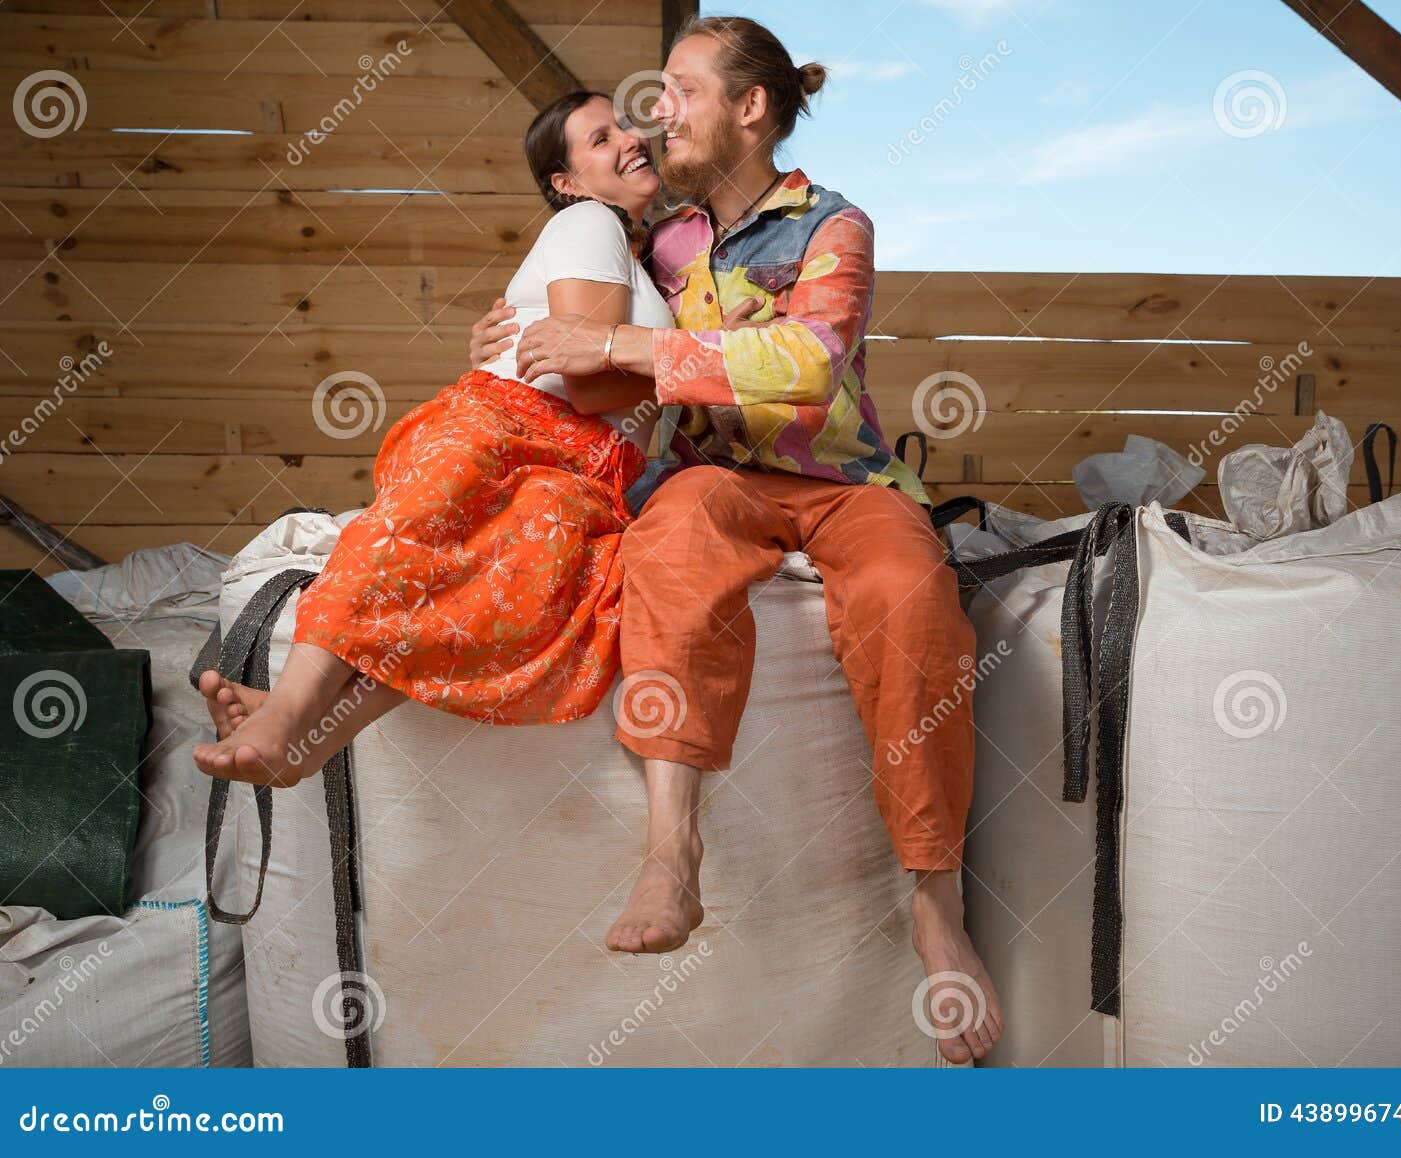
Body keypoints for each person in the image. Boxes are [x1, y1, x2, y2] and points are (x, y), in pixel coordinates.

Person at [471, 16, 1004, 1063]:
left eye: (677, 91)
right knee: (667, 545)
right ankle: (672, 850)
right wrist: (501, 329)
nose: (654, 110)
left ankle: (936, 906)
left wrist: (620, 341)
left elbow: (806, 360)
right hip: (717, 476)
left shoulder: (832, 226)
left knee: (908, 592)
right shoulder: (658, 241)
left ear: (747, 109)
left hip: (842, 482)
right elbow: (569, 292)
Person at [193, 92, 685, 786]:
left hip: (584, 466)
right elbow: (588, 381)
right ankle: (287, 716)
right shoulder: (587, 222)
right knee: (411, 530)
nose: (630, 140)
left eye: (623, 127)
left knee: (511, 589)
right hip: (508, 422)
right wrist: (687, 367)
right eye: (600, 139)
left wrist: (670, 357)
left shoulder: (638, 259)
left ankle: (309, 734)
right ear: (566, 184)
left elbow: (596, 364)